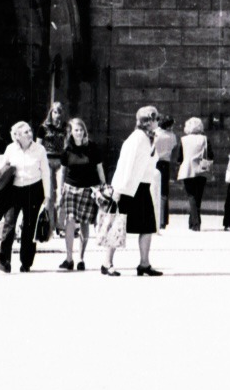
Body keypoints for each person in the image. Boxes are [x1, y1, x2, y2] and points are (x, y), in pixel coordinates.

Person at [108, 105, 163, 276]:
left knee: (147, 227)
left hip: (142, 186)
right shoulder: (137, 138)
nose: (158, 122)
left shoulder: (148, 138)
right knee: (119, 226)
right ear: (148, 121)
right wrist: (118, 189)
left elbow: (150, 162)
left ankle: (144, 264)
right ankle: (107, 262)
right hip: (128, 188)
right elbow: (127, 163)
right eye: (156, 119)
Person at [0, 121, 52, 273]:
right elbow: (3, 169)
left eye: (30, 131)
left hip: (34, 189)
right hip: (14, 190)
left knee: (29, 226)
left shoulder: (40, 149)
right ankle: (4, 260)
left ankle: (26, 262)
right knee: (9, 224)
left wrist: (47, 195)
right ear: (17, 136)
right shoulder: (11, 149)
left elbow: (45, 172)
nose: (29, 134)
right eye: (25, 132)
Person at [57, 118, 106, 271]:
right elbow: (62, 171)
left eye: (81, 130)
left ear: (84, 131)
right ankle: (69, 258)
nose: (78, 133)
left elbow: (99, 168)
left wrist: (103, 187)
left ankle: (81, 258)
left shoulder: (92, 147)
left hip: (88, 188)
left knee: (85, 223)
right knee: (69, 220)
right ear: (71, 132)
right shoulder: (67, 150)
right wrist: (60, 191)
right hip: (71, 187)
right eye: (75, 130)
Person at [178, 116, 211, 231]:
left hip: (187, 169)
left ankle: (195, 223)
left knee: (191, 196)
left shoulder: (184, 140)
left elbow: (179, 157)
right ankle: (194, 222)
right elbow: (210, 155)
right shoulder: (205, 139)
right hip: (201, 169)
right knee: (198, 197)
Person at [39, 101, 67, 226]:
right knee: (49, 193)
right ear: (51, 113)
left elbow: (67, 145)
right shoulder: (44, 127)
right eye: (55, 112)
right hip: (47, 161)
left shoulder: (65, 127)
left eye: (59, 112)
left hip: (60, 161)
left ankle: (60, 225)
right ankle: (49, 223)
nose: (57, 115)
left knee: (60, 192)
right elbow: (38, 145)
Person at [153, 115, 179, 229]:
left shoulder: (155, 133)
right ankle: (163, 219)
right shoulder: (172, 136)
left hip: (154, 162)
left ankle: (155, 217)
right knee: (164, 192)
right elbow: (173, 148)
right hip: (165, 163)